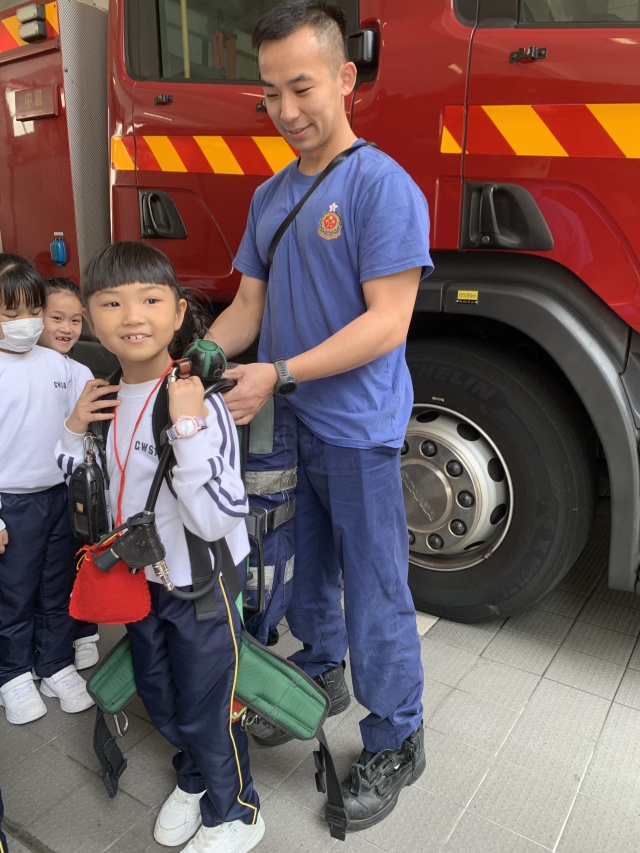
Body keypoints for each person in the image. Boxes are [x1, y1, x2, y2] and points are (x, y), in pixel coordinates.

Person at [206, 0, 432, 834]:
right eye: (270, 93)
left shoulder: (381, 186)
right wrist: (195, 357)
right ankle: (323, 670)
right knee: (304, 568)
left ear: (344, 78)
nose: (286, 110)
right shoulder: (271, 195)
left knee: (375, 586)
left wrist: (280, 371)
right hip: (290, 424)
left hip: (359, 428)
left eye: (301, 87)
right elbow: (247, 308)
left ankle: (397, 735)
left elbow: (387, 323)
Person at [55, 242, 263, 853]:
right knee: (161, 696)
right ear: (92, 319)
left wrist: (188, 427)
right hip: (139, 583)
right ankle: (194, 778)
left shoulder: (201, 401)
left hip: (202, 586)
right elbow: (79, 483)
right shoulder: (102, 400)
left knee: (208, 705)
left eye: (150, 300)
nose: (132, 317)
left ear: (178, 314)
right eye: (111, 303)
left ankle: (237, 812)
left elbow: (217, 517)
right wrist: (73, 429)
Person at [0, 254, 94, 725]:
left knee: (57, 585)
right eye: (10, 312)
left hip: (59, 496)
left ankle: (54, 663)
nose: (24, 322)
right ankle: (12, 673)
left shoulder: (63, 366)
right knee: (14, 592)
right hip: (11, 503)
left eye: (32, 311)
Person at [40, 276, 100, 671]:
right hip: (37, 489)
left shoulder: (82, 371)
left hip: (73, 486)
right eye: (56, 318)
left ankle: (85, 630)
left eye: (75, 320)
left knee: (78, 559)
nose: (67, 328)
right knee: (46, 573)